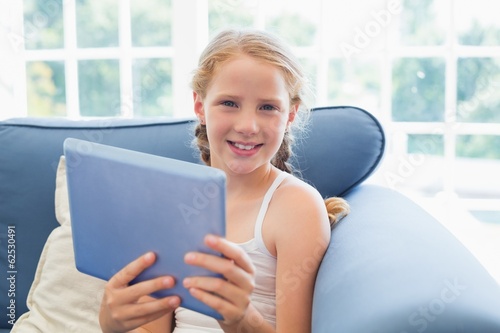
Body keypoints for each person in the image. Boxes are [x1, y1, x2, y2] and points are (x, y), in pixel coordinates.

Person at [99, 28, 349, 333]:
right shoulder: (172, 203)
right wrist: (113, 326)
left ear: (290, 115)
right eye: (229, 103)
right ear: (200, 106)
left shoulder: (296, 207)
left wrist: (240, 319)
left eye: (268, 107)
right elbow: (154, 329)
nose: (247, 126)